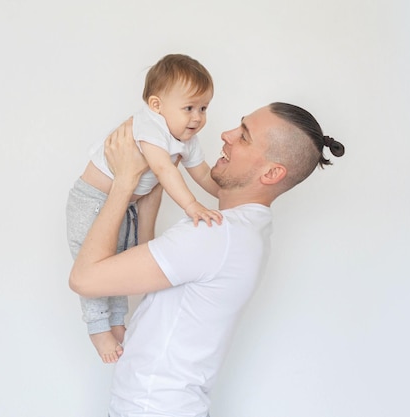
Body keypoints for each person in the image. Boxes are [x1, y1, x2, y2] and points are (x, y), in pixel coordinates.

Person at [69, 101, 345, 417]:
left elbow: (83, 279)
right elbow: (157, 278)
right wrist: (149, 205)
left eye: (244, 136)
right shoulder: (242, 230)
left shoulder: (217, 235)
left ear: (271, 172)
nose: (226, 134)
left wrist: (123, 182)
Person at [66, 54, 223, 363]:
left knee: (118, 263)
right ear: (156, 105)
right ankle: (98, 328)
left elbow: (202, 173)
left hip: (126, 204)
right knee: (93, 263)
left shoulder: (185, 138)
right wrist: (192, 206)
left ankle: (117, 321)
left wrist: (227, 195)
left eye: (204, 108)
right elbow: (165, 171)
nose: (197, 118)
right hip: (91, 200)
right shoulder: (149, 127)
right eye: (189, 108)